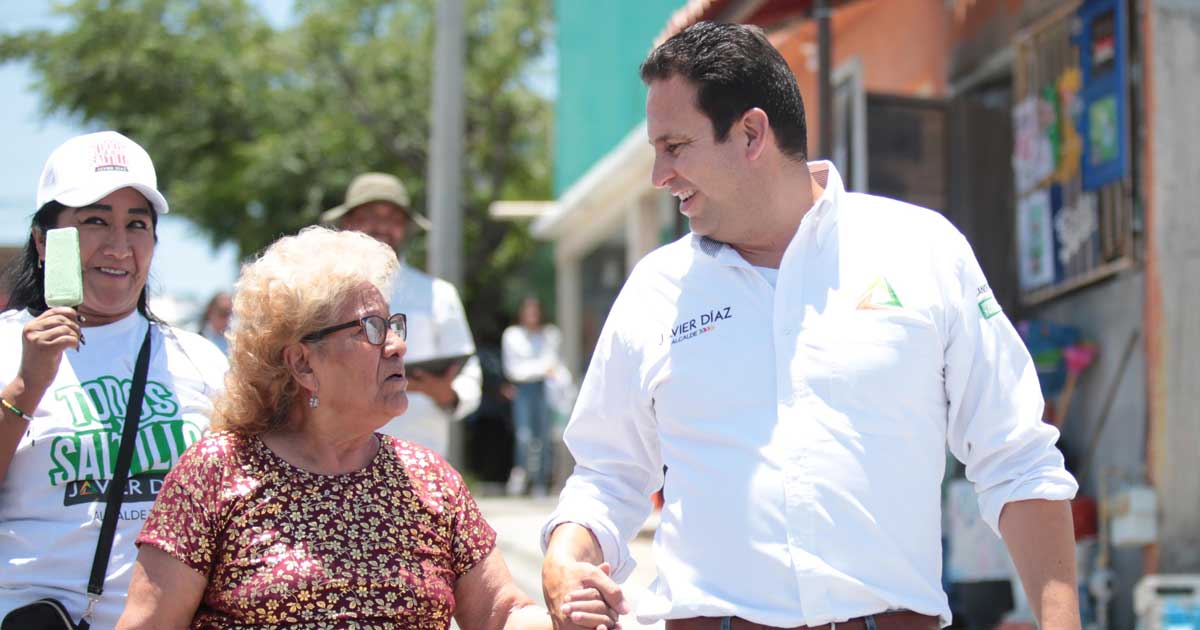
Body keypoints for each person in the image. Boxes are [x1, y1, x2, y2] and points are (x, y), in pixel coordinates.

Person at [540, 22, 1081, 630]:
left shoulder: (923, 250)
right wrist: (567, 553)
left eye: (675, 147)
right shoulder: (654, 289)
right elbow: (608, 474)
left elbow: (1017, 458)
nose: (659, 175)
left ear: (750, 133)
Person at [116, 227, 614, 629]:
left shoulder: (428, 479)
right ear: (302, 364)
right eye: (370, 330)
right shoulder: (216, 472)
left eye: (393, 325)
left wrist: (564, 619)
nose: (397, 345)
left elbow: (501, 613)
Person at [0, 131, 228, 628]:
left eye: (138, 224)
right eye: (95, 221)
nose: (119, 245)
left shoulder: (200, 362)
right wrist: (25, 386)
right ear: (44, 242)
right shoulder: (5, 346)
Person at [320, 172, 481, 458]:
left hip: (417, 460)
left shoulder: (438, 294)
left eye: (393, 217)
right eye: (369, 214)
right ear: (347, 224)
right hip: (334, 459)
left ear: (405, 228)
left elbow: (468, 374)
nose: (382, 226)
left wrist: (447, 394)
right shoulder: (319, 293)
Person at [501, 295, 563, 497]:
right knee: (524, 436)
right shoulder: (512, 335)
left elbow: (553, 363)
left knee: (545, 436)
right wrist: (541, 368)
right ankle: (521, 476)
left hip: (545, 388)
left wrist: (539, 369)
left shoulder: (549, 334)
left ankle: (540, 481)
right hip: (524, 390)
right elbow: (514, 370)